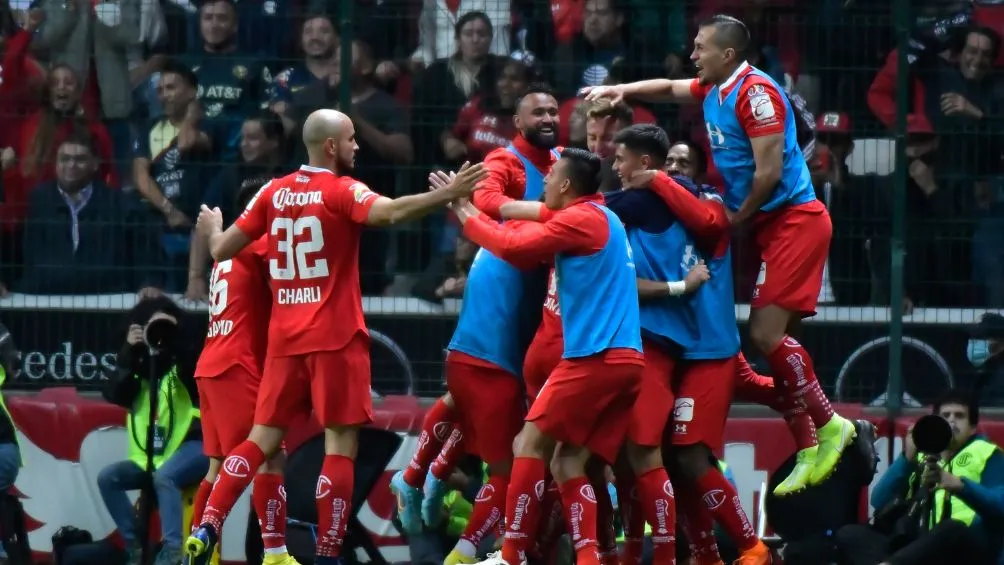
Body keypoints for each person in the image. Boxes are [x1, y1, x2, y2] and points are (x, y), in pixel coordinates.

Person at [184, 109, 487, 565]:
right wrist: (448, 194)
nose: (357, 146)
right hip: (335, 337)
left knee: (260, 441)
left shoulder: (271, 190)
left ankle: (208, 524)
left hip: (284, 342)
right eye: (350, 139)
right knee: (340, 446)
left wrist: (211, 230)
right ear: (331, 147)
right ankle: (327, 551)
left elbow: (222, 249)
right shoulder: (342, 189)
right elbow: (388, 213)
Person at [582, 13, 857, 494]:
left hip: (793, 219)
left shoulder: (755, 93)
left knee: (766, 335)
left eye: (700, 47)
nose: (692, 55)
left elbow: (769, 172)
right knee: (778, 349)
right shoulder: (716, 89)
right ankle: (811, 446)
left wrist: (735, 217)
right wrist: (624, 91)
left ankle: (832, 425)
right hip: (772, 226)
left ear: (727, 54)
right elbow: (669, 88)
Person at [446, 148, 644, 565]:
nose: (546, 180)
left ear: (566, 186)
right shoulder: (599, 215)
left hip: (594, 358)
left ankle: (511, 553)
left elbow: (512, 247)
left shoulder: (579, 220)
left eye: (551, 175)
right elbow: (510, 209)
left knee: (527, 444)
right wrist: (477, 197)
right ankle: (592, 558)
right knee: (568, 461)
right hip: (627, 363)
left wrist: (463, 213)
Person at [399, 85, 561, 565]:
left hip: (530, 313)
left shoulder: (559, 166)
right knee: (501, 443)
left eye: (555, 109)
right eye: (539, 111)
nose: (550, 116)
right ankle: (429, 497)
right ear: (517, 119)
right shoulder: (505, 160)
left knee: (475, 409)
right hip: (499, 295)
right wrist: (535, 215)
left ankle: (421, 481)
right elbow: (485, 198)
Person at [186, 180, 295, 565]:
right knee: (269, 456)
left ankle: (201, 556)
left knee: (218, 466)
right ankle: (275, 554)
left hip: (211, 364)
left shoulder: (228, 252)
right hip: (238, 364)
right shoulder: (257, 243)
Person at [836, 390, 1004, 565]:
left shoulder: (986, 453)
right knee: (850, 535)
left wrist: (961, 486)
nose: (952, 421)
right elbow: (878, 500)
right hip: (919, 544)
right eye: (945, 416)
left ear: (972, 428)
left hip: (962, 545)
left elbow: (1001, 504)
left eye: (959, 416)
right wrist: (906, 458)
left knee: (952, 528)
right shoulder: (921, 455)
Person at [100, 296, 208, 565]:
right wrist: (127, 351)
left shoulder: (186, 358)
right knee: (108, 478)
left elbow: (194, 375)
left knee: (164, 477)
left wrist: (175, 338)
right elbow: (114, 393)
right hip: (152, 456)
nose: (159, 333)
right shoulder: (140, 367)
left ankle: (173, 552)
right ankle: (136, 545)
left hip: (197, 443)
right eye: (152, 326)